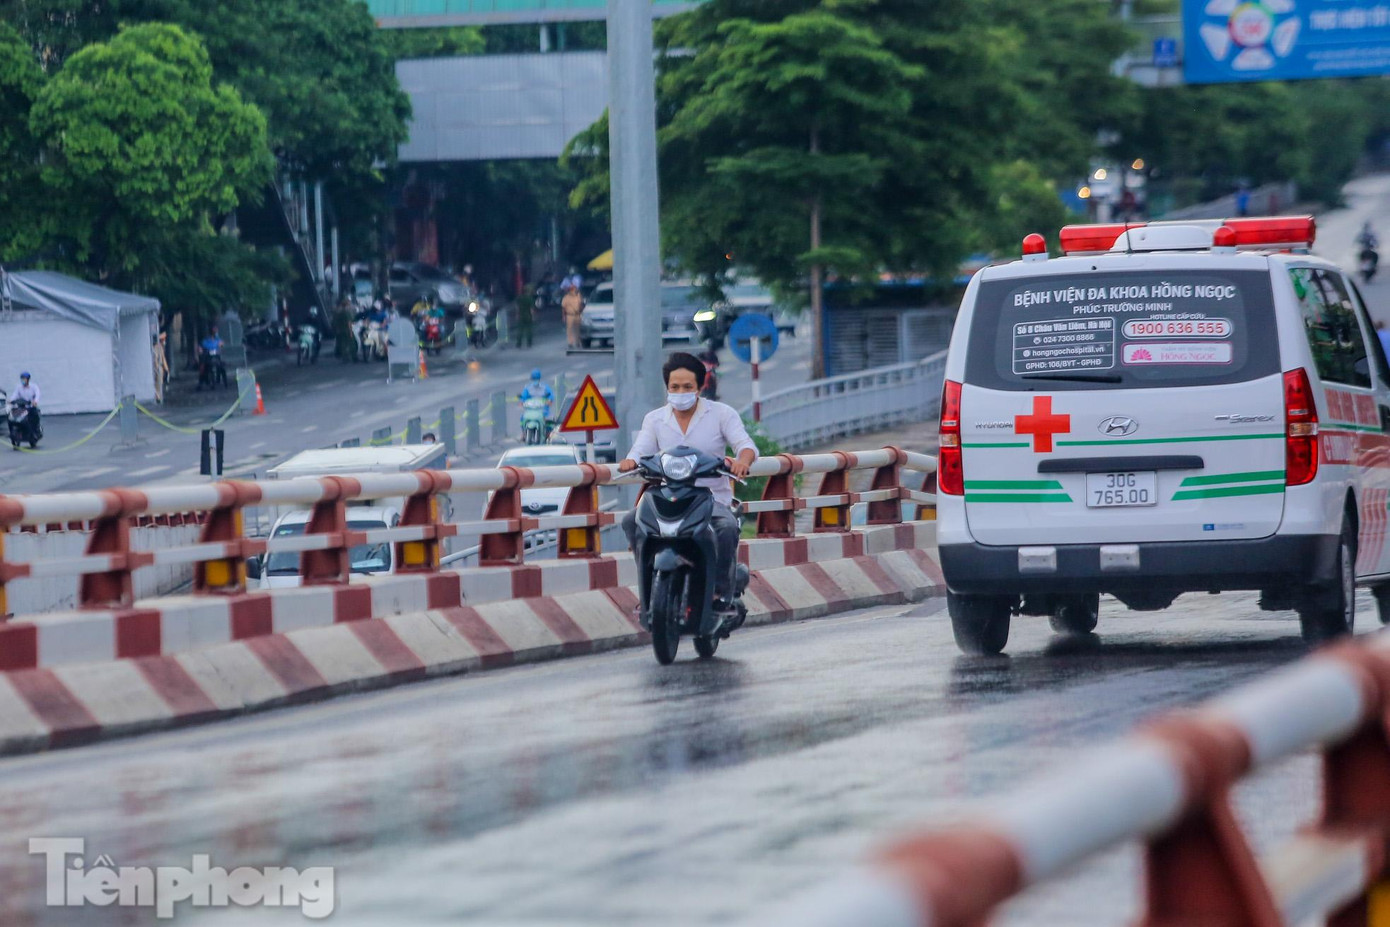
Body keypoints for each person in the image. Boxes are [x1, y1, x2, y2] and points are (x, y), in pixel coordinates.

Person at [619, 352, 757, 611]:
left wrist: (743, 461)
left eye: (687, 387)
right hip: (667, 498)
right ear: (667, 387)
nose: (680, 392)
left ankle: (719, 593)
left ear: (700, 386)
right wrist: (631, 461)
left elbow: (745, 446)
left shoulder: (721, 414)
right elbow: (640, 450)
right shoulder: (655, 419)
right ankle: (648, 587)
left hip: (712, 499)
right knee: (631, 521)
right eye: (674, 387)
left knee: (726, 528)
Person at [12, 371, 40, 435]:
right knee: (15, 416)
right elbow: (15, 395)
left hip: (30, 407)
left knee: (34, 416)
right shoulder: (19, 387)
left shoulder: (34, 387)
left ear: (28, 379)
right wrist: (11, 400)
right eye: (22, 379)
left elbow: (37, 394)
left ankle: (35, 430)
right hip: (22, 407)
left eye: (24, 379)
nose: (23, 380)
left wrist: (35, 401)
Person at [198, 326, 224, 390]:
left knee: (219, 365)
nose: (215, 332)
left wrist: (220, 347)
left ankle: (216, 380)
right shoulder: (206, 340)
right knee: (202, 367)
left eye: (216, 331)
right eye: (214, 331)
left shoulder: (218, 340)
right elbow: (200, 347)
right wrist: (200, 350)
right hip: (206, 357)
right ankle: (201, 383)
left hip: (215, 357)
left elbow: (221, 346)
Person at [561, 283, 584, 349]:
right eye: (573, 289)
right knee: (570, 329)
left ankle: (577, 342)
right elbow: (563, 308)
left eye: (575, 289)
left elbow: (581, 305)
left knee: (577, 329)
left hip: (577, 315)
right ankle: (570, 342)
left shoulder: (578, 296)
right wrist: (563, 316)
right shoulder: (566, 298)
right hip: (569, 315)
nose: (575, 290)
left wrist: (582, 312)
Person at [515, 285, 535, 349]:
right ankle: (529, 343)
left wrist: (517, 314)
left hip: (521, 315)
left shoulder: (519, 298)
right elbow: (531, 309)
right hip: (528, 315)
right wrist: (533, 316)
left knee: (520, 330)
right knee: (529, 330)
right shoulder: (530, 298)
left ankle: (518, 343)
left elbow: (517, 307)